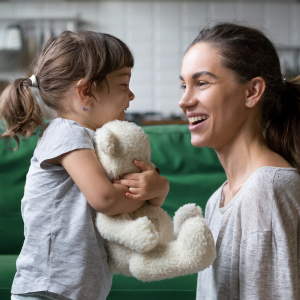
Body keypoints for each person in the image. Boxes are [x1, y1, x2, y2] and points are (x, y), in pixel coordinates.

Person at [0, 30, 169, 300]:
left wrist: (155, 190)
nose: (132, 95)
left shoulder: (93, 140)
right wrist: (154, 190)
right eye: (124, 84)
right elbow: (107, 199)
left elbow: (123, 206)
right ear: (86, 91)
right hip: (48, 289)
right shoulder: (67, 132)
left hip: (78, 289)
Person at [179, 22, 300, 299]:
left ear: (252, 92)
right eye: (183, 84)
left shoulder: (266, 189)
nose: (184, 101)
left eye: (202, 83)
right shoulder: (217, 199)